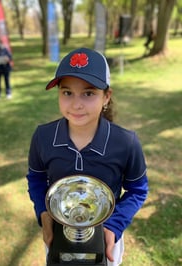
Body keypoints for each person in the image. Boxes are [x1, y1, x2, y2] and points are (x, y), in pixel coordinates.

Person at [26, 47, 148, 265]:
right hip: (58, 234)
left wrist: (113, 226)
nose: (76, 104)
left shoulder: (126, 142)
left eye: (89, 93)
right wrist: (44, 214)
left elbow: (137, 189)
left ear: (106, 97)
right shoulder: (43, 137)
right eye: (67, 92)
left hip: (106, 236)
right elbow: (35, 179)